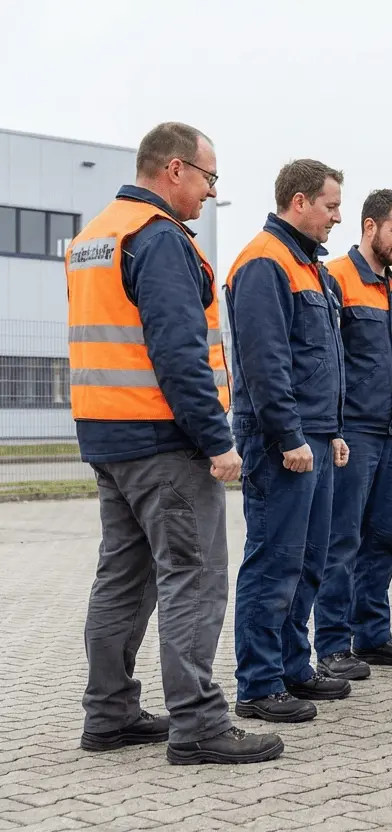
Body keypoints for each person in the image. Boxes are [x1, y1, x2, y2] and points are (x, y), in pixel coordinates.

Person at [66, 121, 281, 764]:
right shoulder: (159, 239)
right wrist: (218, 440)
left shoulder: (95, 237)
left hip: (108, 436)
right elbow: (180, 355)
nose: (212, 193)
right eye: (210, 178)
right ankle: (198, 725)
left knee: (122, 579)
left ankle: (109, 714)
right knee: (192, 577)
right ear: (175, 170)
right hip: (165, 441)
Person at [225, 159, 353, 723]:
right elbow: (264, 362)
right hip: (283, 442)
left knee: (309, 561)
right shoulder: (264, 262)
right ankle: (257, 684)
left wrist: (332, 431)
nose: (337, 216)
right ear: (298, 202)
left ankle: (293, 667)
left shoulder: (310, 267)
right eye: (330, 206)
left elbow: (323, 359)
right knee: (274, 561)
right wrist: (289, 436)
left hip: (316, 437)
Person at [311, 189, 392, 676]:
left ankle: (372, 633)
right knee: (342, 540)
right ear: (369, 227)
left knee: (382, 538)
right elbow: (328, 360)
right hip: (353, 431)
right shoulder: (336, 278)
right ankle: (333, 644)